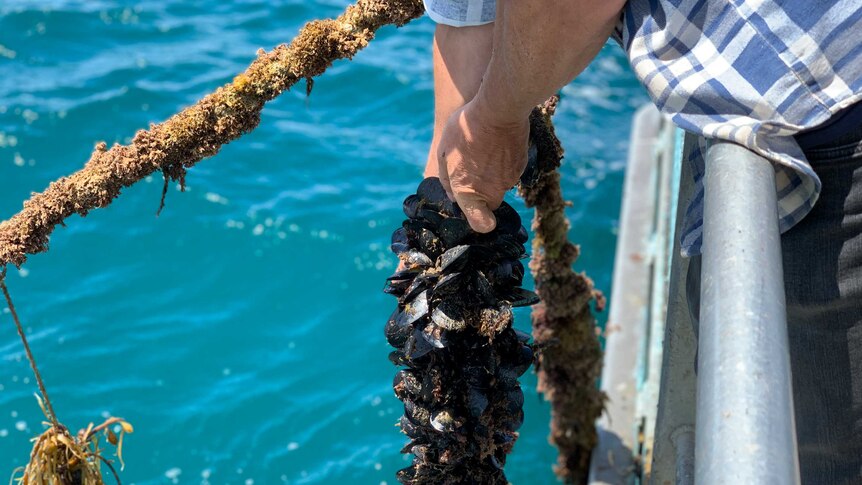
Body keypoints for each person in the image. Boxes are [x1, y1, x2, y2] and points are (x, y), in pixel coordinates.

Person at [420, 0, 862, 483]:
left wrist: (496, 119)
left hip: (827, 102)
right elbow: (468, 20)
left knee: (812, 455)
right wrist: (442, 243)